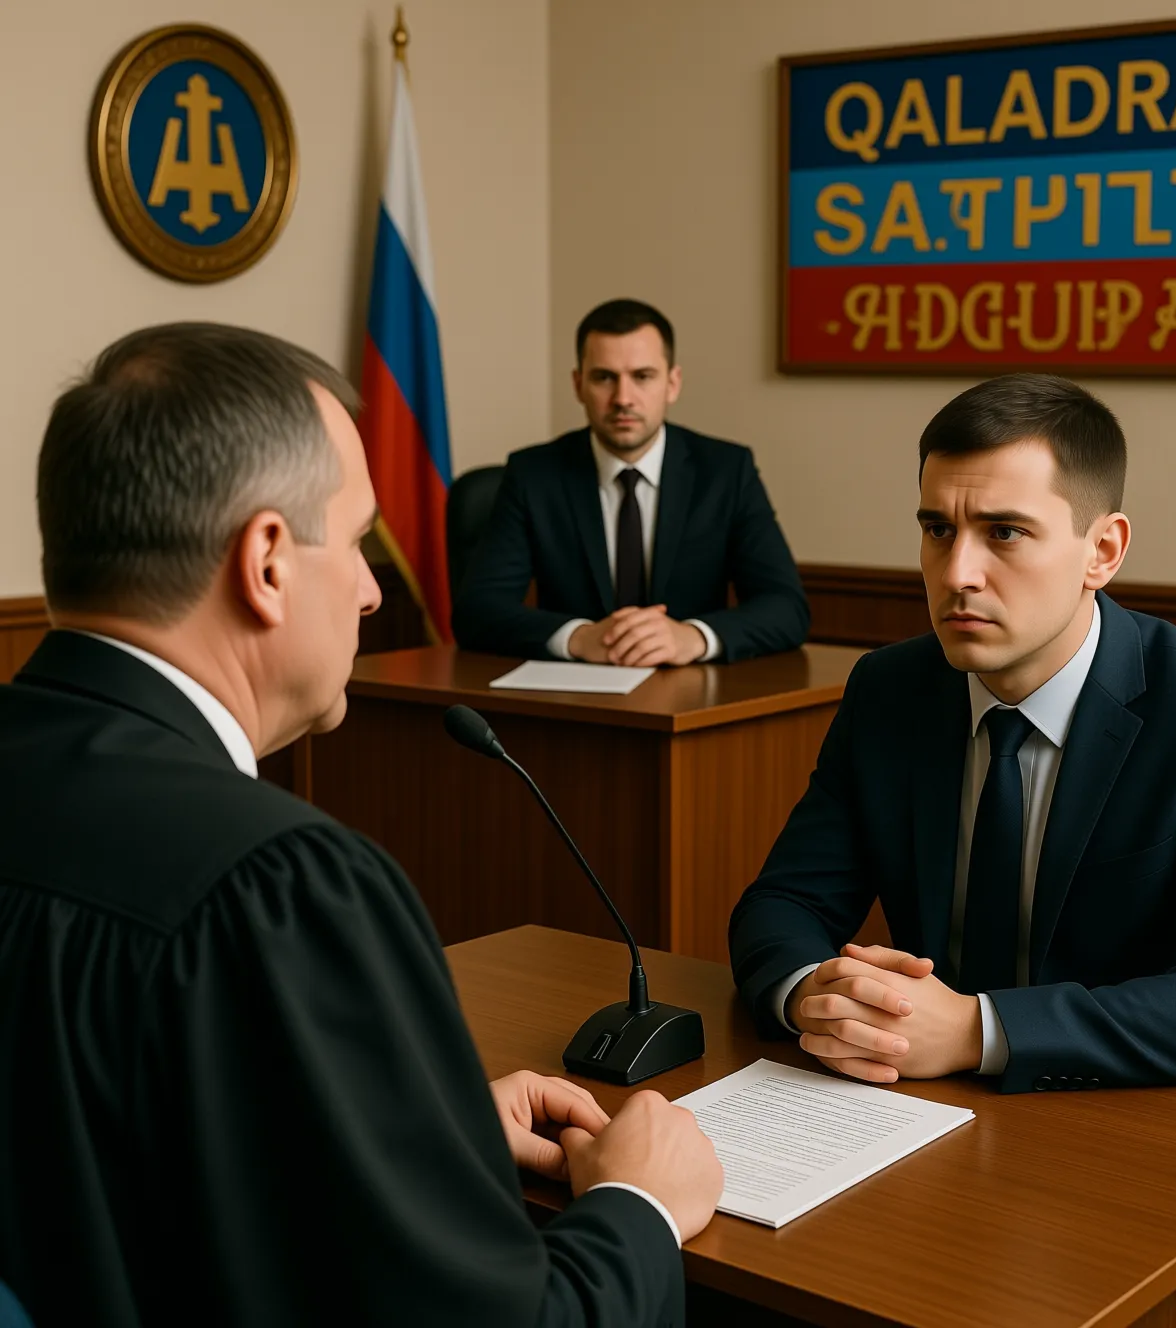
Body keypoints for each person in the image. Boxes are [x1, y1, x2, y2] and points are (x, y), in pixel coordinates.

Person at [0, 324, 722, 1327]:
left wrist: (415, 1135)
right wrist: (641, 1205)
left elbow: (94, 1157)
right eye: (354, 543)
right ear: (266, 563)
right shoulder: (278, 883)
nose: (375, 589)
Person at [729, 373, 1176, 1094]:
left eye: (1004, 532)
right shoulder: (889, 689)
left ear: (1103, 551)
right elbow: (785, 903)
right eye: (938, 530)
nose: (958, 574)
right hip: (917, 1103)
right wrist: (813, 996)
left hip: (1137, 1117)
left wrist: (974, 1030)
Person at [451, 298, 809, 664]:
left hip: (692, 689)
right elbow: (476, 611)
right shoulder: (533, 474)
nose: (623, 399)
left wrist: (692, 637)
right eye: (604, 378)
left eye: (642, 377)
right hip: (573, 690)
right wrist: (579, 637)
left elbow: (787, 607)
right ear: (578, 385)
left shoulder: (726, 472)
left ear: (672, 383)